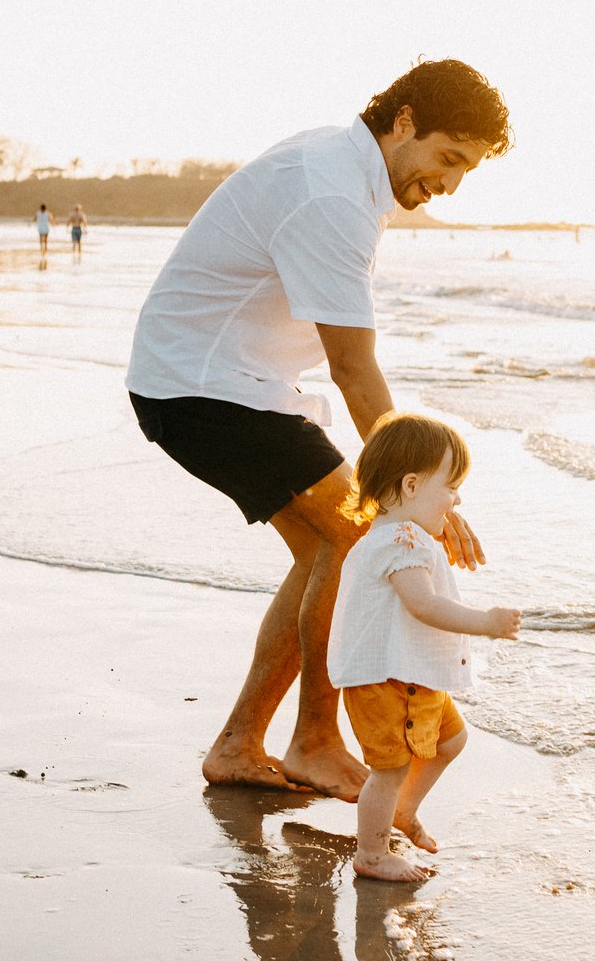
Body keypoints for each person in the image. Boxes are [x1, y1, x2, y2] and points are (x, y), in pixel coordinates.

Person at [125, 57, 513, 800]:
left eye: (467, 168)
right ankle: (312, 743)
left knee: (322, 552)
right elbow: (355, 371)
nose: (451, 183)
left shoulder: (341, 167)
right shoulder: (332, 195)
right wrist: (426, 494)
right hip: (205, 388)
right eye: (448, 157)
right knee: (358, 535)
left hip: (224, 384)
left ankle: (240, 744)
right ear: (402, 122)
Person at [328, 414, 519, 882]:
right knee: (388, 769)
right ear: (412, 485)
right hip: (384, 679)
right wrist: (485, 623)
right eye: (451, 487)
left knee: (450, 740)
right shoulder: (401, 539)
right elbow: (424, 605)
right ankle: (371, 855)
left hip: (410, 673)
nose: (457, 499)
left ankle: (402, 810)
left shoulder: (398, 536)